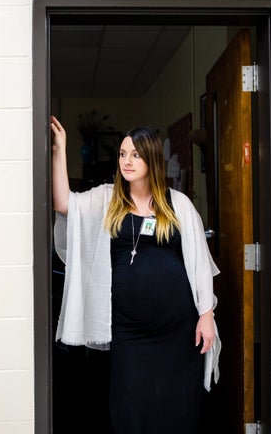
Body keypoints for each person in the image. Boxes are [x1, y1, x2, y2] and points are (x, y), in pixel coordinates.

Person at [50, 115, 221, 433]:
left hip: (178, 332)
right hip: (130, 333)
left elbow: (199, 262)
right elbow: (64, 204)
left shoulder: (178, 204)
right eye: (123, 153)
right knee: (131, 406)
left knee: (177, 407)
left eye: (136, 154)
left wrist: (206, 314)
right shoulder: (107, 198)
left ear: (152, 158)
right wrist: (59, 150)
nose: (127, 161)